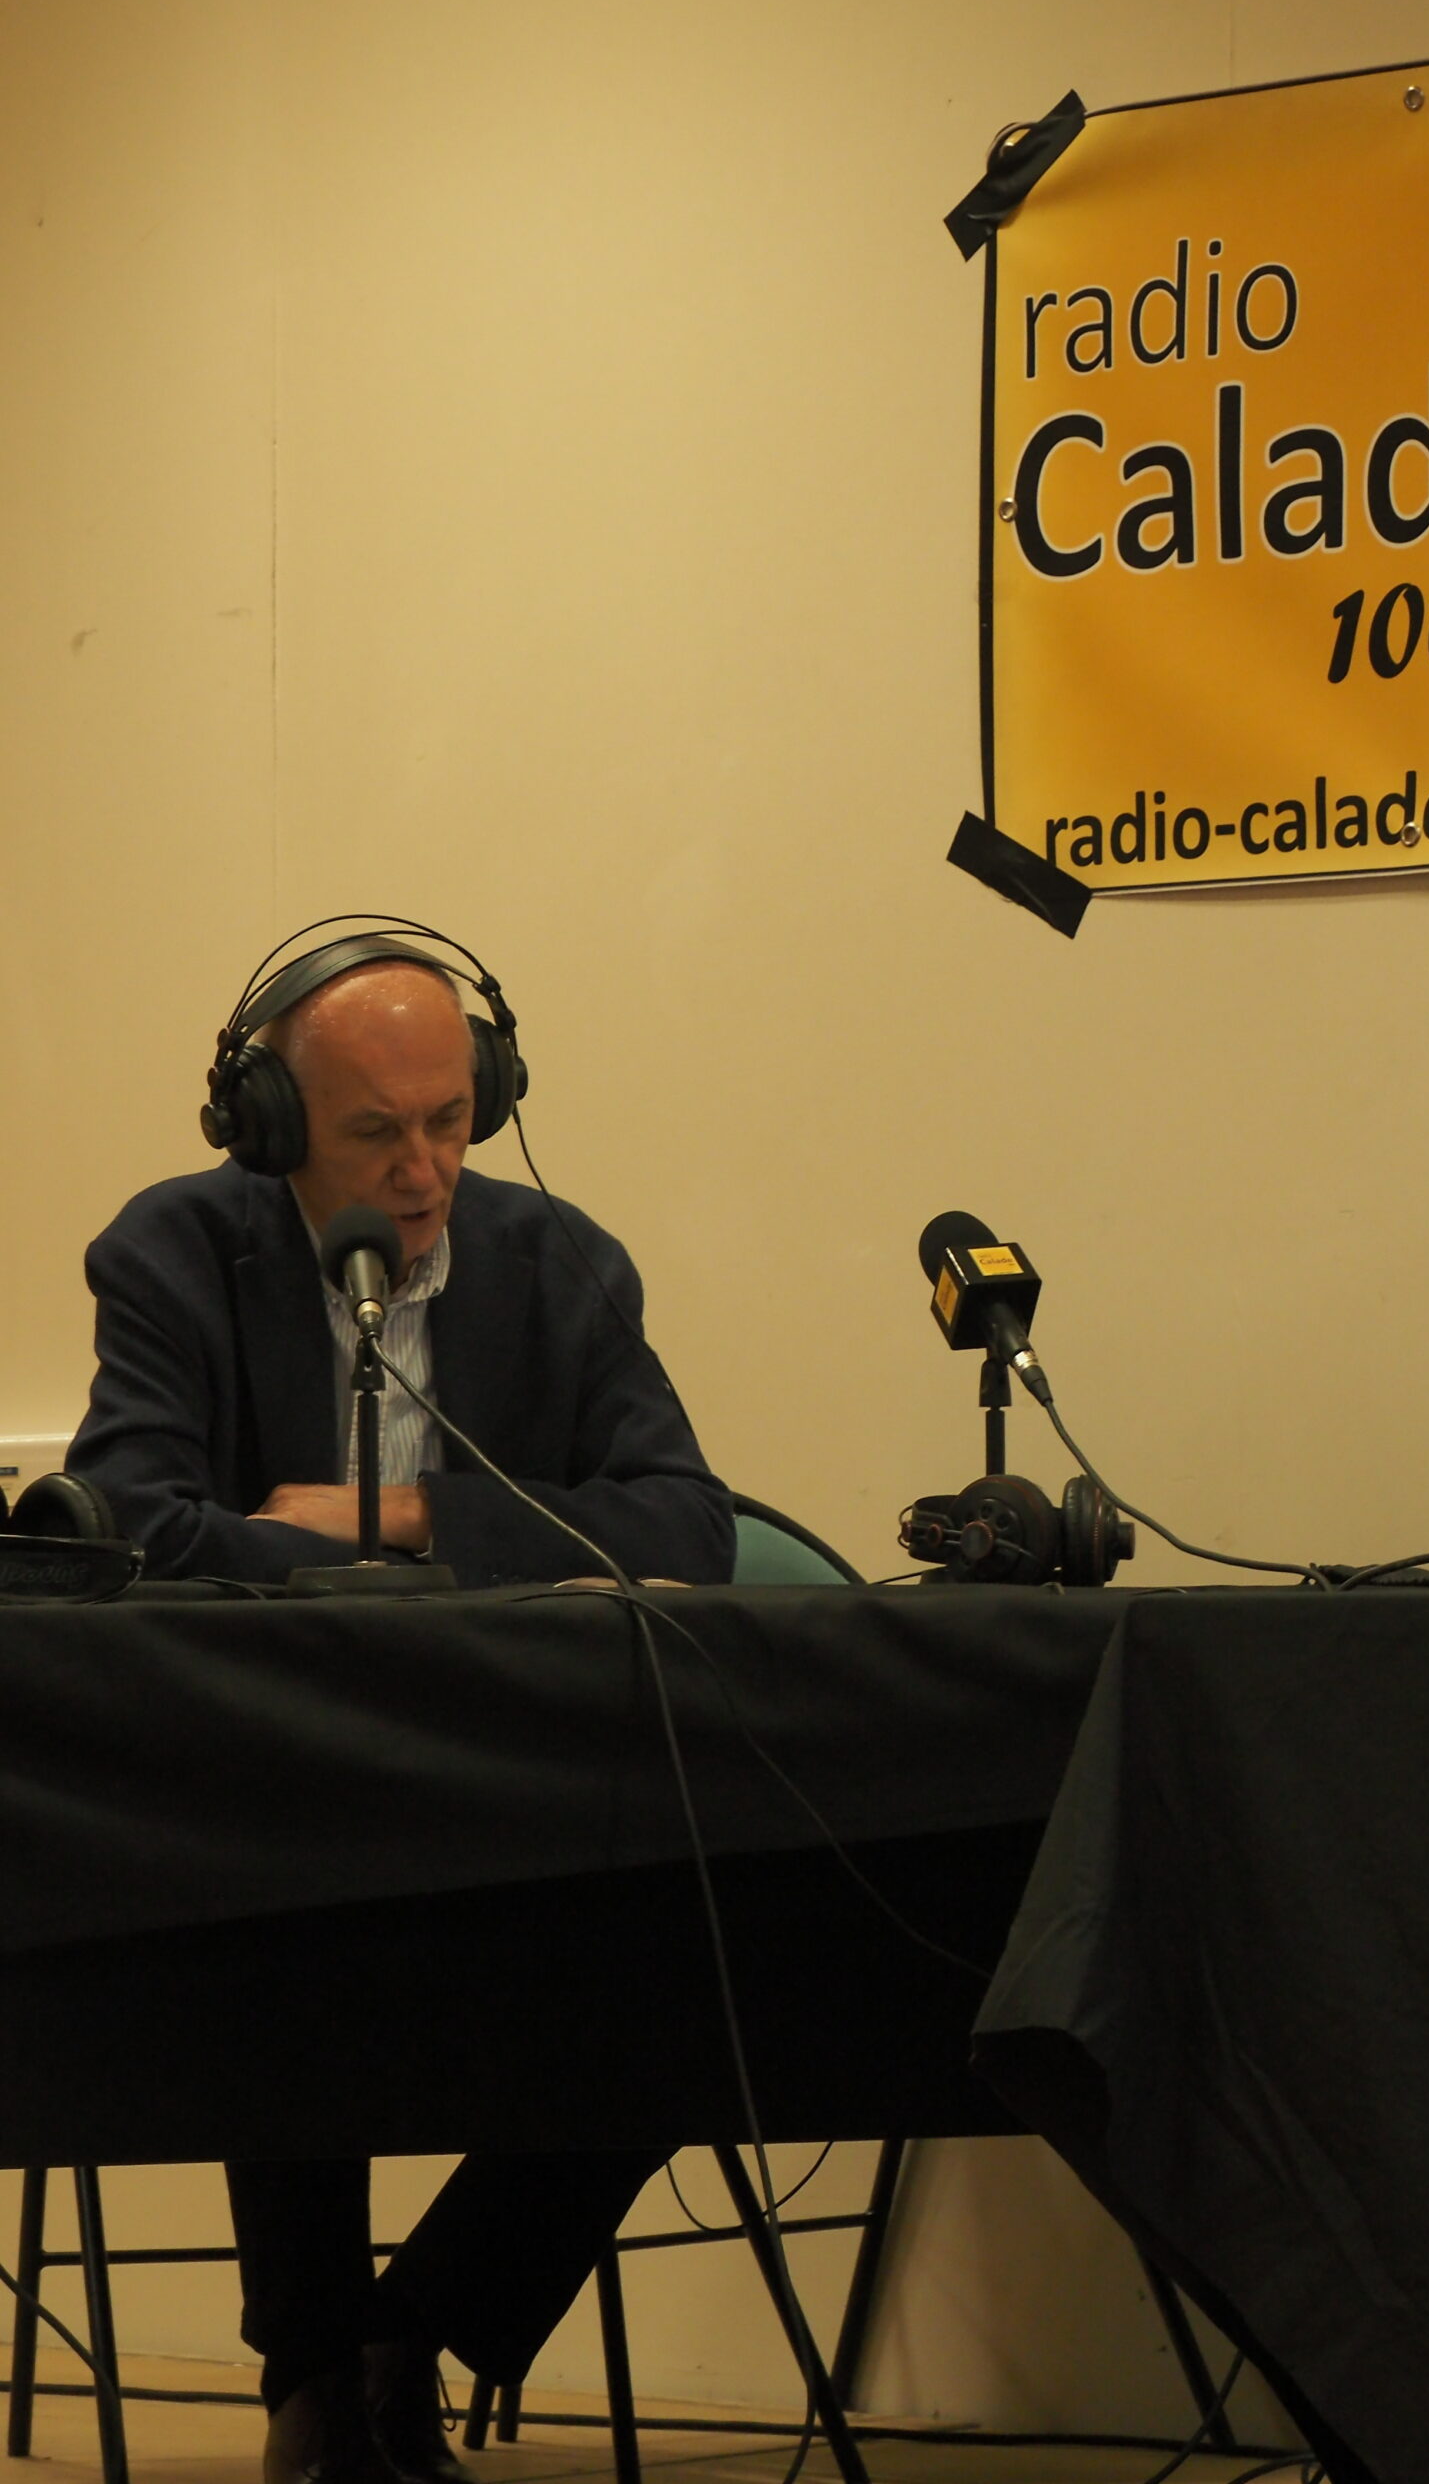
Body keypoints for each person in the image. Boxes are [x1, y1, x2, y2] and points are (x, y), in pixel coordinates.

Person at [67, 930, 737, 2484]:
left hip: (524, 1794)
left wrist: (392, 1521)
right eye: (376, 1132)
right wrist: (407, 1570)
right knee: (286, 1931)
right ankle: (314, 2379)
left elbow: (685, 1526)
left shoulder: (562, 1262)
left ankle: (407, 2333)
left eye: (452, 1118)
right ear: (267, 1123)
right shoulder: (172, 1250)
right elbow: (129, 1523)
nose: (426, 1168)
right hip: (266, 1792)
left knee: (703, 1963)